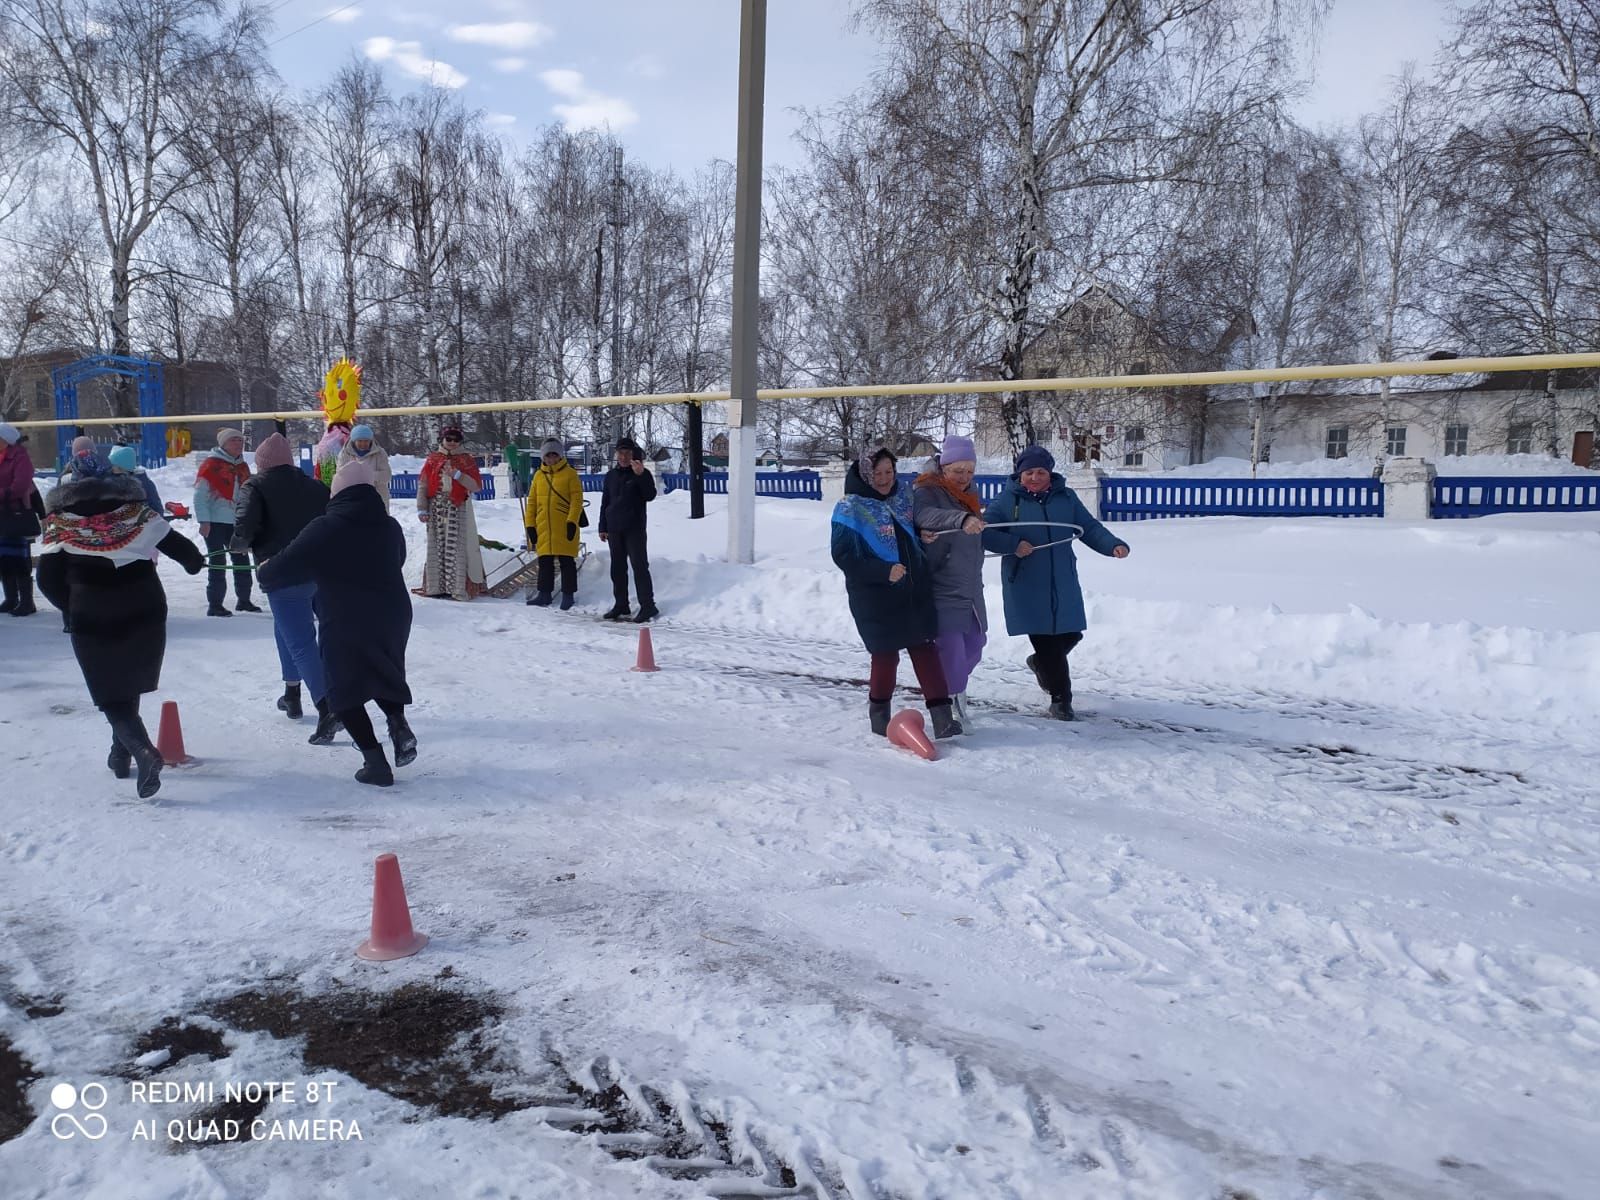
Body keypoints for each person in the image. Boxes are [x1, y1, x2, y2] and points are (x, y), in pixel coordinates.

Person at [36, 470, 205, 798]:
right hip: (145, 605)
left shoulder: (60, 524)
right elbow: (182, 549)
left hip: (93, 610)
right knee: (128, 677)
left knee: (108, 689)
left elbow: (46, 580)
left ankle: (142, 750)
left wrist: (69, 608)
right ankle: (120, 753)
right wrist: (195, 563)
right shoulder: (137, 513)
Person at [259, 458, 415, 787]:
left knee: (342, 690)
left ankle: (376, 764)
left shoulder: (326, 526)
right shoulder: (389, 525)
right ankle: (399, 724)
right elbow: (398, 560)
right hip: (393, 613)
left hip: (347, 616)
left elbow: (287, 564)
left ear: (338, 491)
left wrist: (265, 570)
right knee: (384, 671)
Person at [982, 445, 1130, 721]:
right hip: (1026, 581)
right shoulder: (1006, 501)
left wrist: (1113, 545)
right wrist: (1013, 544)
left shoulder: (1066, 497)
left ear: (1050, 473)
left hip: (1061, 578)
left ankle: (1040, 664)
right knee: (1048, 642)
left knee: (1071, 634)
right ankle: (1061, 699)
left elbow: (1090, 527)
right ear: (1019, 474)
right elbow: (984, 532)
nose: (1035, 477)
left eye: (1041, 472)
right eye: (1029, 472)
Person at [831, 446, 961, 739]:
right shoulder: (850, 507)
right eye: (877, 473)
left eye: (889, 472)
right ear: (865, 474)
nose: (884, 479)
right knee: (886, 656)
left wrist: (920, 534)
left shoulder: (903, 497)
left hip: (914, 590)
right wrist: (883, 571)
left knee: (925, 651)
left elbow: (905, 530)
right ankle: (879, 717)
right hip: (876, 598)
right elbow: (843, 556)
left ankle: (943, 720)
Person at [232, 432, 341, 741]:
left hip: (281, 571)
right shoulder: (315, 485)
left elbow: (244, 525)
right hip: (319, 570)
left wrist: (238, 545)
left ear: (262, 464)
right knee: (287, 630)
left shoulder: (255, 485)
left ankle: (327, 708)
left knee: (301, 641)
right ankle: (291, 693)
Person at [912, 434, 987, 730]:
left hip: (969, 585)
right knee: (951, 647)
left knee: (976, 642)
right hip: (940, 583)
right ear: (944, 468)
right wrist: (960, 520)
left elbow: (977, 535)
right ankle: (949, 702)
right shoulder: (926, 490)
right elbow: (925, 515)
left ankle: (951, 687)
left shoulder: (970, 495)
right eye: (958, 471)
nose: (964, 477)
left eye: (969, 471)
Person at [193, 427, 259, 616]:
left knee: (242, 561)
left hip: (237, 522)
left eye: (240, 440)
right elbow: (200, 496)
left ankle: (244, 600)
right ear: (223, 444)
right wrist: (204, 521)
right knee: (218, 562)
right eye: (234, 440)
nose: (239, 443)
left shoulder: (242, 467)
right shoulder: (211, 465)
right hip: (214, 523)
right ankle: (215, 604)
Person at [416, 426, 486, 601]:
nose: (452, 443)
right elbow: (423, 485)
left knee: (456, 548)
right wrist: (422, 507)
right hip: (436, 507)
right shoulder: (433, 459)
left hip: (457, 507)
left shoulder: (466, 460)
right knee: (436, 547)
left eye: (456, 440)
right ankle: (436, 587)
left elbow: (476, 486)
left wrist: (458, 475)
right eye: (449, 439)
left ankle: (457, 588)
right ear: (442, 440)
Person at [598, 436, 658, 622]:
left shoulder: (641, 473)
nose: (623, 457)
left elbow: (650, 495)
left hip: (634, 529)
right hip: (614, 529)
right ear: (616, 454)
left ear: (633, 455)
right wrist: (603, 526)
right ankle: (621, 604)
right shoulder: (611, 475)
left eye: (627, 453)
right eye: (620, 453)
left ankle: (648, 606)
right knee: (617, 569)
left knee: (639, 567)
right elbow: (605, 502)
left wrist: (640, 475)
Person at [523, 437, 584, 610]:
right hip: (543, 526)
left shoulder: (570, 474)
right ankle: (544, 594)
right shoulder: (538, 476)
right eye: (548, 455)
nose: (551, 459)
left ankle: (568, 595)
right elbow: (532, 502)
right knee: (545, 562)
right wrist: (530, 525)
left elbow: (576, 500)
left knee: (566, 562)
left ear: (560, 455)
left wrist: (572, 521)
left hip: (564, 525)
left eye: (554, 455)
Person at [0, 423, 41, 616]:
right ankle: (10, 598)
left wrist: (2, 493)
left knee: (18, 558)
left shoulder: (20, 457)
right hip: (1, 514)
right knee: (3, 558)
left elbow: (21, 484)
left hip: (16, 513)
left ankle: (27, 601)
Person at [337, 423, 392, 510]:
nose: (363, 444)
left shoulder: (380, 453)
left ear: (371, 440)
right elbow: (341, 476)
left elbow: (386, 476)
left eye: (366, 441)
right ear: (354, 441)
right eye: (360, 441)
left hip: (377, 497)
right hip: (353, 497)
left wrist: (367, 475)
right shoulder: (345, 454)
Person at [107, 445, 162, 514]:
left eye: (115, 466)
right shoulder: (112, 479)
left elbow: (156, 507)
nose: (112, 468)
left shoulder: (143, 483)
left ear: (123, 467)